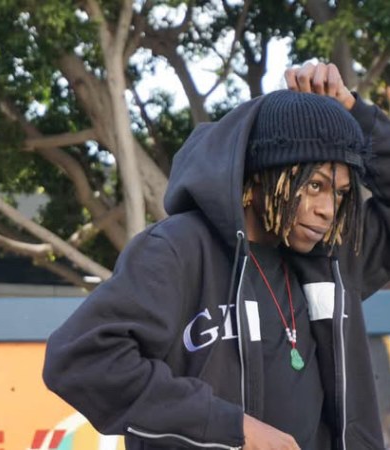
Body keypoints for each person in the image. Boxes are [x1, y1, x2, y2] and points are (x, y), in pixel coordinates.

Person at [42, 62, 390, 450]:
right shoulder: (178, 249)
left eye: (340, 193)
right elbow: (81, 360)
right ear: (256, 179)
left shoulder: (333, 258)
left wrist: (357, 113)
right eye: (314, 186)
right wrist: (231, 427)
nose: (327, 209)